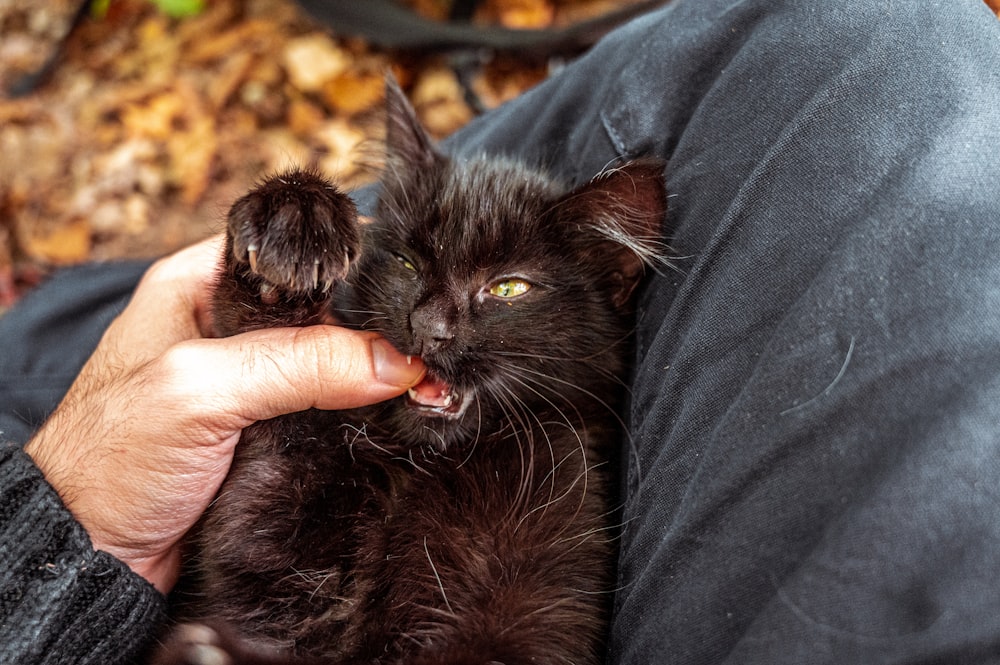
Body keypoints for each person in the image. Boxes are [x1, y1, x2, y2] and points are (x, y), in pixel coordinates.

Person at [3, 0, 1000, 663]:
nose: (436, 322)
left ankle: (38, 317)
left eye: (504, 286)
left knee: (879, 24)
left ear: (603, 281)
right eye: (416, 271)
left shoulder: (545, 457)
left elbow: (272, 563)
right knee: (876, 43)